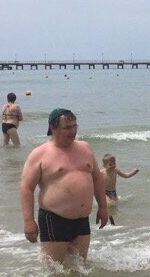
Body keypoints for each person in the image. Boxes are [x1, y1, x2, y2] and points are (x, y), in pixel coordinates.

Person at [19, 108, 109, 263]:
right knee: (54, 275)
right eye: (67, 128)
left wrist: (103, 207)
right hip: (54, 219)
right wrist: (29, 221)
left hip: (82, 220)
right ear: (53, 128)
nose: (72, 131)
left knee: (79, 270)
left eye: (75, 126)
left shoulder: (85, 147)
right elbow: (27, 187)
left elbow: (97, 178)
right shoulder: (40, 153)